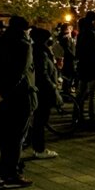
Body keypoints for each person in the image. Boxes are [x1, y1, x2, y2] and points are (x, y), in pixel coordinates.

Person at [0, 15, 37, 188]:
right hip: (19, 96)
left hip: (4, 96)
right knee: (16, 137)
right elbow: (19, 72)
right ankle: (11, 175)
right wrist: (3, 92)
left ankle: (5, 170)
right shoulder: (24, 45)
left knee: (8, 135)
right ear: (25, 29)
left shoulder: (3, 43)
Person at [28, 27, 60, 159]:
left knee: (39, 120)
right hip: (43, 91)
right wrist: (52, 86)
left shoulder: (38, 50)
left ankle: (37, 146)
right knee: (40, 120)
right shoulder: (41, 52)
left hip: (41, 89)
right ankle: (39, 148)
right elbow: (43, 73)